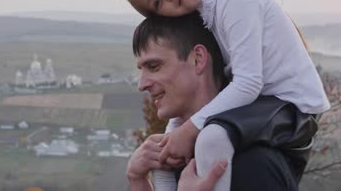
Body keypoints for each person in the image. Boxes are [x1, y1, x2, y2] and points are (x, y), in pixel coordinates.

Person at [121, 0, 330, 190]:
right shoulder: (206, 12)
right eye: (156, 2)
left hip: (292, 103)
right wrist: (146, 170)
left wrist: (188, 130)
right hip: (264, 101)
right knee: (166, 150)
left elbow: (248, 83)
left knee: (212, 136)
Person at [126, 13, 305, 190]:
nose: (142, 84)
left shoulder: (252, 163)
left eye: (154, 67)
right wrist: (137, 180)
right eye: (141, 70)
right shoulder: (183, 156)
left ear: (198, 59)